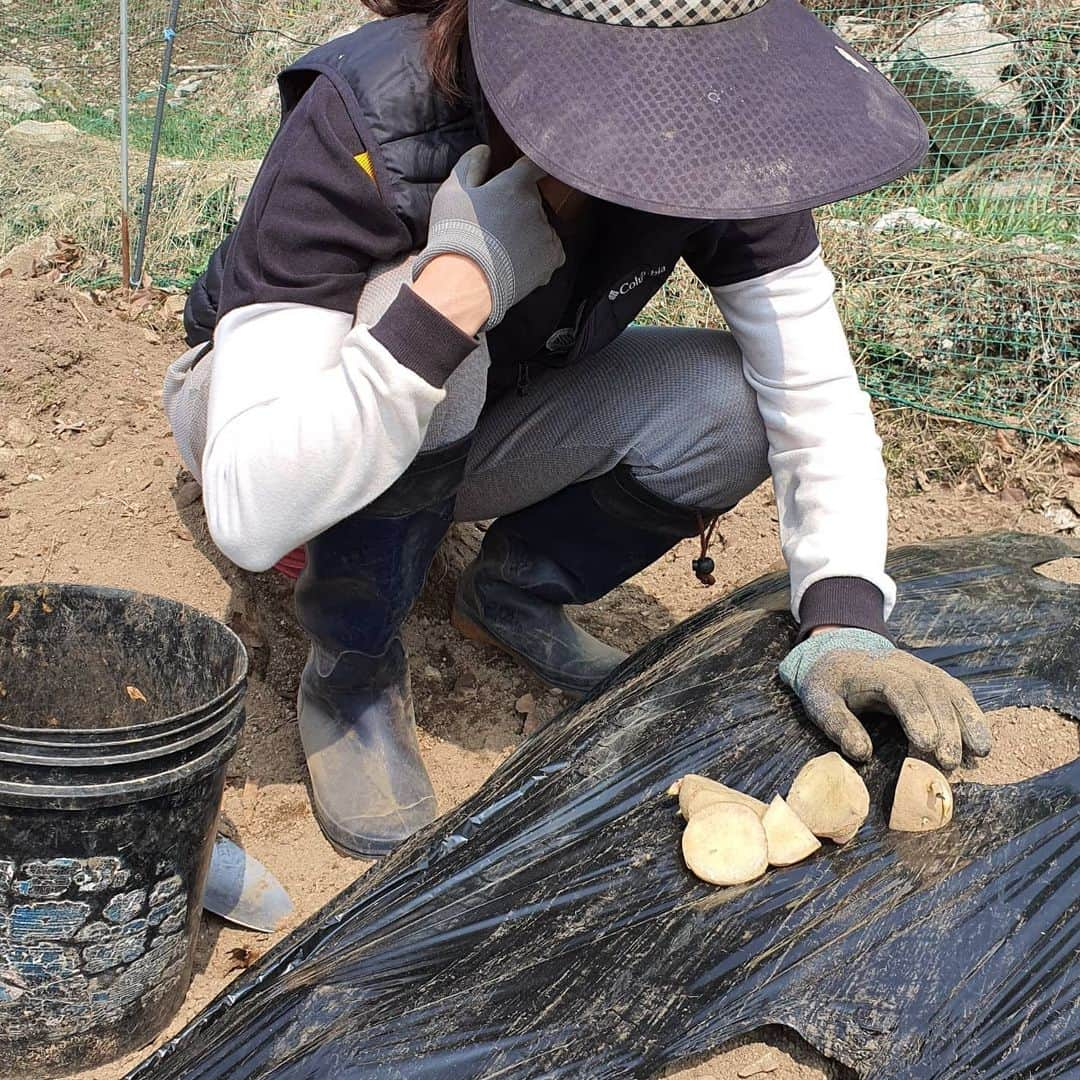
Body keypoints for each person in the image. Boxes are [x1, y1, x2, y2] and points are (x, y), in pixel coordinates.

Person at [163, 0, 992, 858]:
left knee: (729, 403)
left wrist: (844, 615)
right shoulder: (371, 115)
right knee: (428, 340)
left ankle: (514, 593)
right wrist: (457, 287)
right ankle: (353, 671)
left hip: (490, 407)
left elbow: (810, 384)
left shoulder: (712, 120)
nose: (665, 125)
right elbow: (249, 506)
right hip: (263, 423)